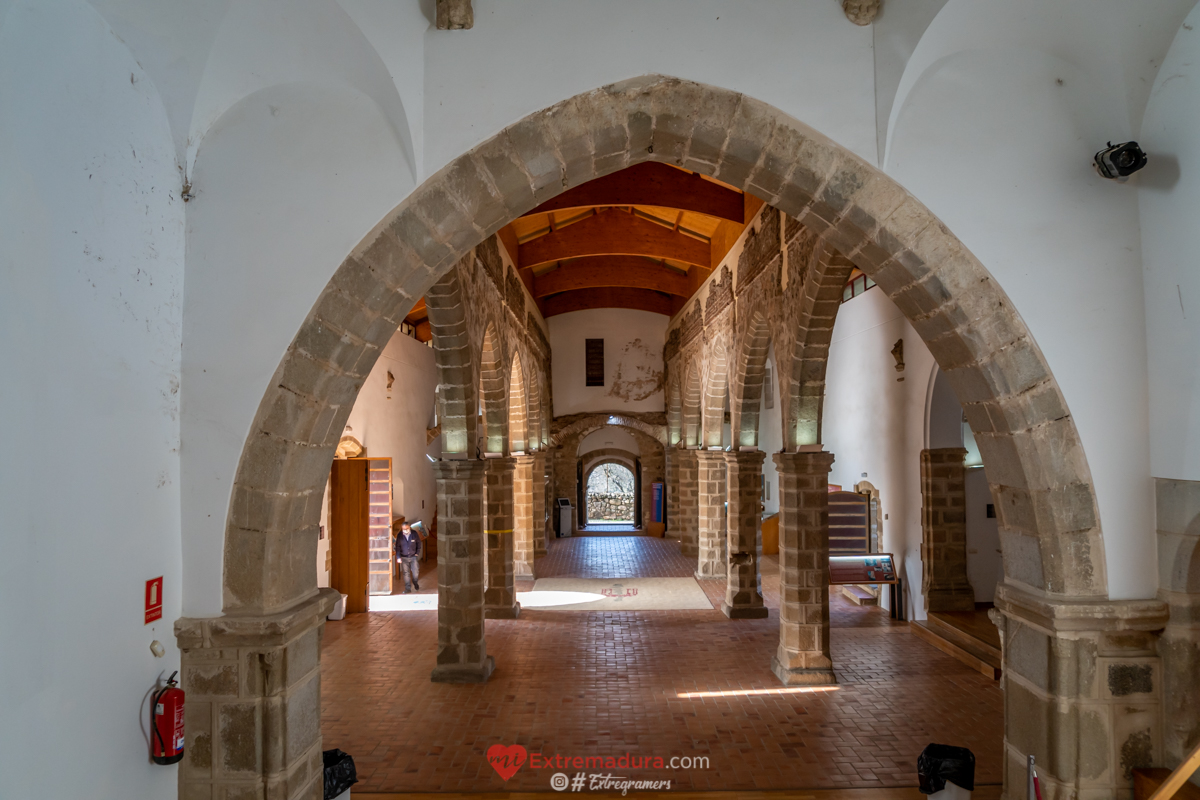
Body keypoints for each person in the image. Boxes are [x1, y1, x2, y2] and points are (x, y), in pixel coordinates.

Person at [395, 521, 422, 593]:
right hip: (404, 557)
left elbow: (418, 543)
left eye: (406, 528)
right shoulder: (400, 535)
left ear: (409, 527)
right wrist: (398, 557)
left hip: (413, 557)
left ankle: (415, 581)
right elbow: (397, 547)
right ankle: (408, 588)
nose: (405, 530)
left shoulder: (414, 534)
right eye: (403, 529)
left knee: (415, 572)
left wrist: (417, 553)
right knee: (406, 573)